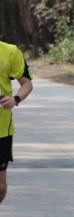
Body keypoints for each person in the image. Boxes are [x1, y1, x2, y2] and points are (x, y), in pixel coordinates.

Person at [0, 41, 33, 203]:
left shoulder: (10, 51)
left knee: (0, 187)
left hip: (1, 128)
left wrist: (15, 99)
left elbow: (27, 83)